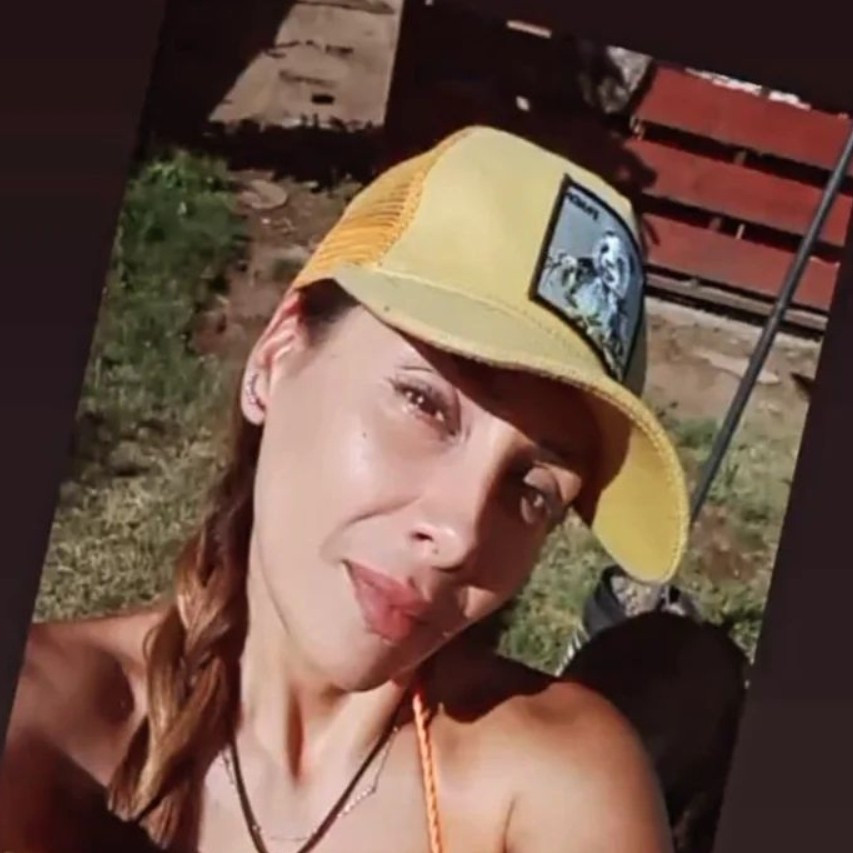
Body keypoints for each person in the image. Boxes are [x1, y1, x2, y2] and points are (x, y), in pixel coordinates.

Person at [0, 125, 691, 853]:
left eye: (534, 487)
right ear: (276, 355)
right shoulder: (45, 723)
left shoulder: (557, 781)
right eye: (425, 404)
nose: (460, 535)